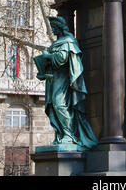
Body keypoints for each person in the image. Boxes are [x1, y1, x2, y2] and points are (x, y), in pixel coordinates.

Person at [33, 16, 98, 149]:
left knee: (59, 105)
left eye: (54, 28)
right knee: (53, 106)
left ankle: (69, 135)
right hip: (54, 79)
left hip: (63, 79)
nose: (52, 30)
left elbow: (62, 58)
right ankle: (63, 134)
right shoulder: (59, 42)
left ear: (59, 27)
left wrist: (47, 56)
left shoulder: (68, 41)